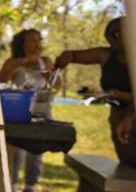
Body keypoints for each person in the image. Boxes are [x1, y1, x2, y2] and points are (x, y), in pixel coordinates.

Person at [55, 17, 134, 166]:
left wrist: (119, 96)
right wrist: (66, 57)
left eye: (118, 33)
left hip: (131, 116)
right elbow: (73, 55)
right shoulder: (106, 55)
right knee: (126, 167)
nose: (113, 39)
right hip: (117, 116)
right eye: (110, 35)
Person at [0, 28, 60, 192]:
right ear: (22, 44)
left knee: (36, 150)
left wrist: (50, 73)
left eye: (39, 40)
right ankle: (11, 188)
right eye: (33, 40)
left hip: (42, 111)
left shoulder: (46, 61)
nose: (37, 44)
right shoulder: (13, 61)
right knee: (16, 151)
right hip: (19, 111)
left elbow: (56, 86)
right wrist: (23, 62)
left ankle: (30, 188)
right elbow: (0, 81)